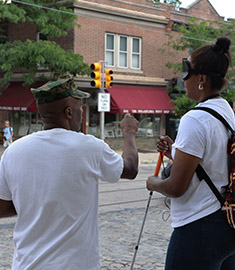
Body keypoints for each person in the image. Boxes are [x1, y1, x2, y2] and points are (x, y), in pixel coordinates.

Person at [0, 75, 139, 270]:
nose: (82, 112)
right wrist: (129, 133)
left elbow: (2, 207)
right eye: (79, 107)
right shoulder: (89, 146)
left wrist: (37, 203)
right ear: (68, 112)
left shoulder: (13, 151)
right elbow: (130, 168)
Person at [147, 37, 235, 270]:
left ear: (201, 79)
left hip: (200, 228)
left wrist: (153, 182)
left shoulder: (194, 118)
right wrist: (175, 150)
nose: (182, 79)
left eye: (186, 71)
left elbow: (175, 187)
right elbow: (213, 162)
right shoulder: (227, 112)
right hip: (232, 225)